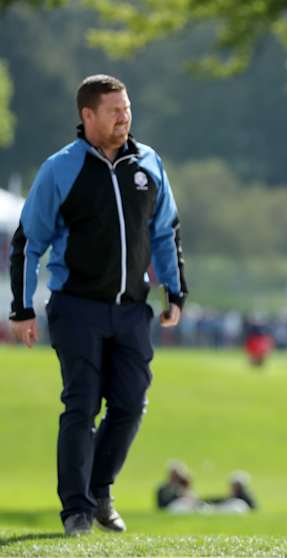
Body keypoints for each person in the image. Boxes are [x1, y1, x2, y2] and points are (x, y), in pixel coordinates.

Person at [7, 74, 188, 536]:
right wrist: (23, 308)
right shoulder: (60, 169)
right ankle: (77, 512)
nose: (124, 117)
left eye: (127, 108)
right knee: (81, 406)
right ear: (87, 116)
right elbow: (29, 242)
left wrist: (174, 291)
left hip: (131, 310)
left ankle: (100, 491)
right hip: (77, 309)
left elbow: (165, 231)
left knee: (129, 405)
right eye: (114, 110)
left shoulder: (149, 163)